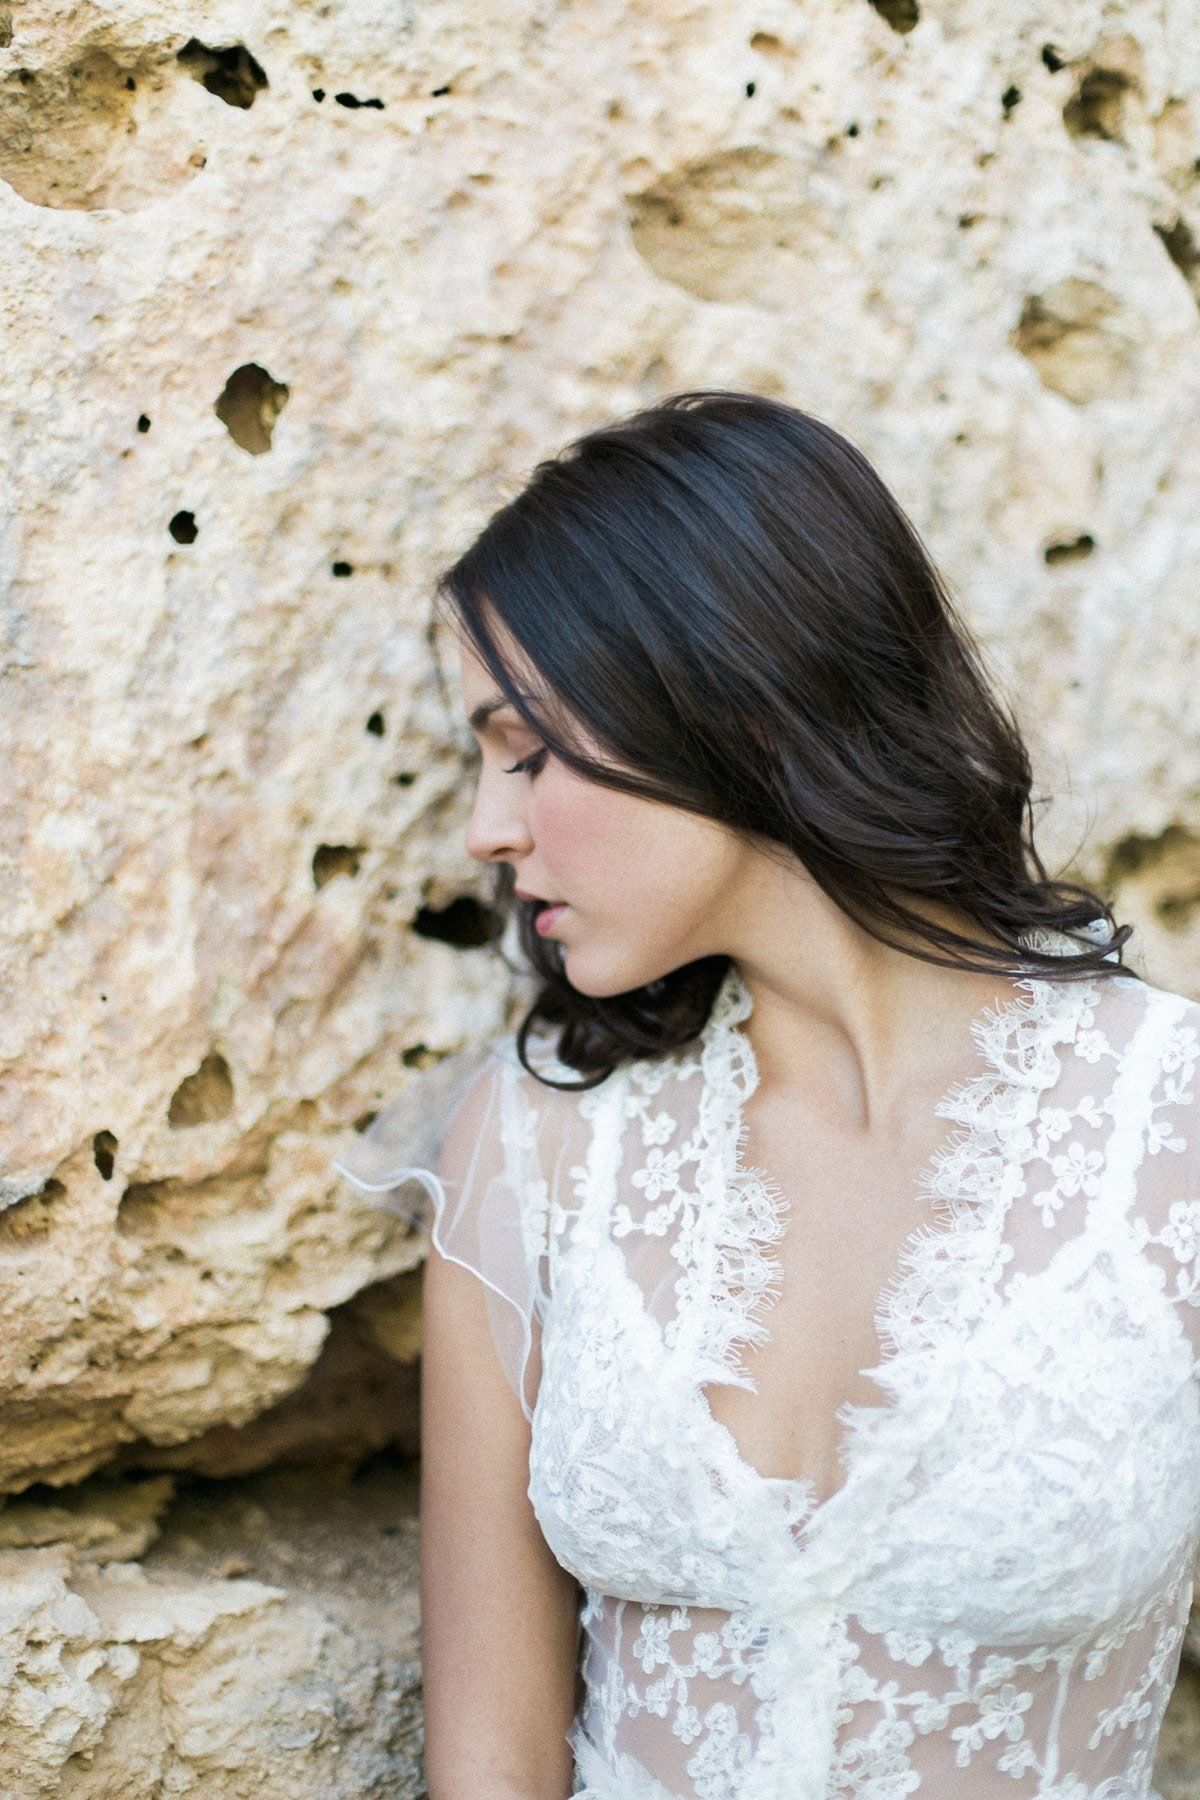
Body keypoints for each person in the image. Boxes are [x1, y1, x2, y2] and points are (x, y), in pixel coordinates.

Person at [332, 391, 1200, 1800]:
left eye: (529, 753)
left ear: (731, 699)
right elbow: (488, 1763)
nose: (492, 830)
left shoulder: (1170, 1131)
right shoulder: (541, 1140)